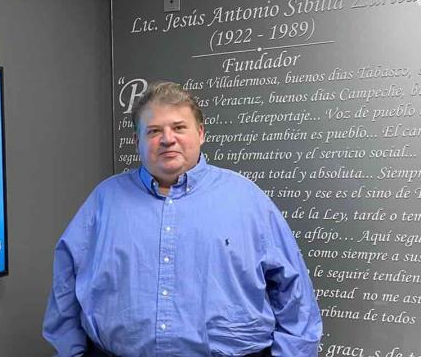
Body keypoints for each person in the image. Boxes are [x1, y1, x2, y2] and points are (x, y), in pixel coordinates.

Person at [43, 82, 321, 356]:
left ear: (200, 133)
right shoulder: (104, 200)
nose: (167, 139)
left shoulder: (247, 200)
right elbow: (64, 285)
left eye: (179, 127)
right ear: (136, 140)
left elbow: (295, 295)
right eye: (153, 131)